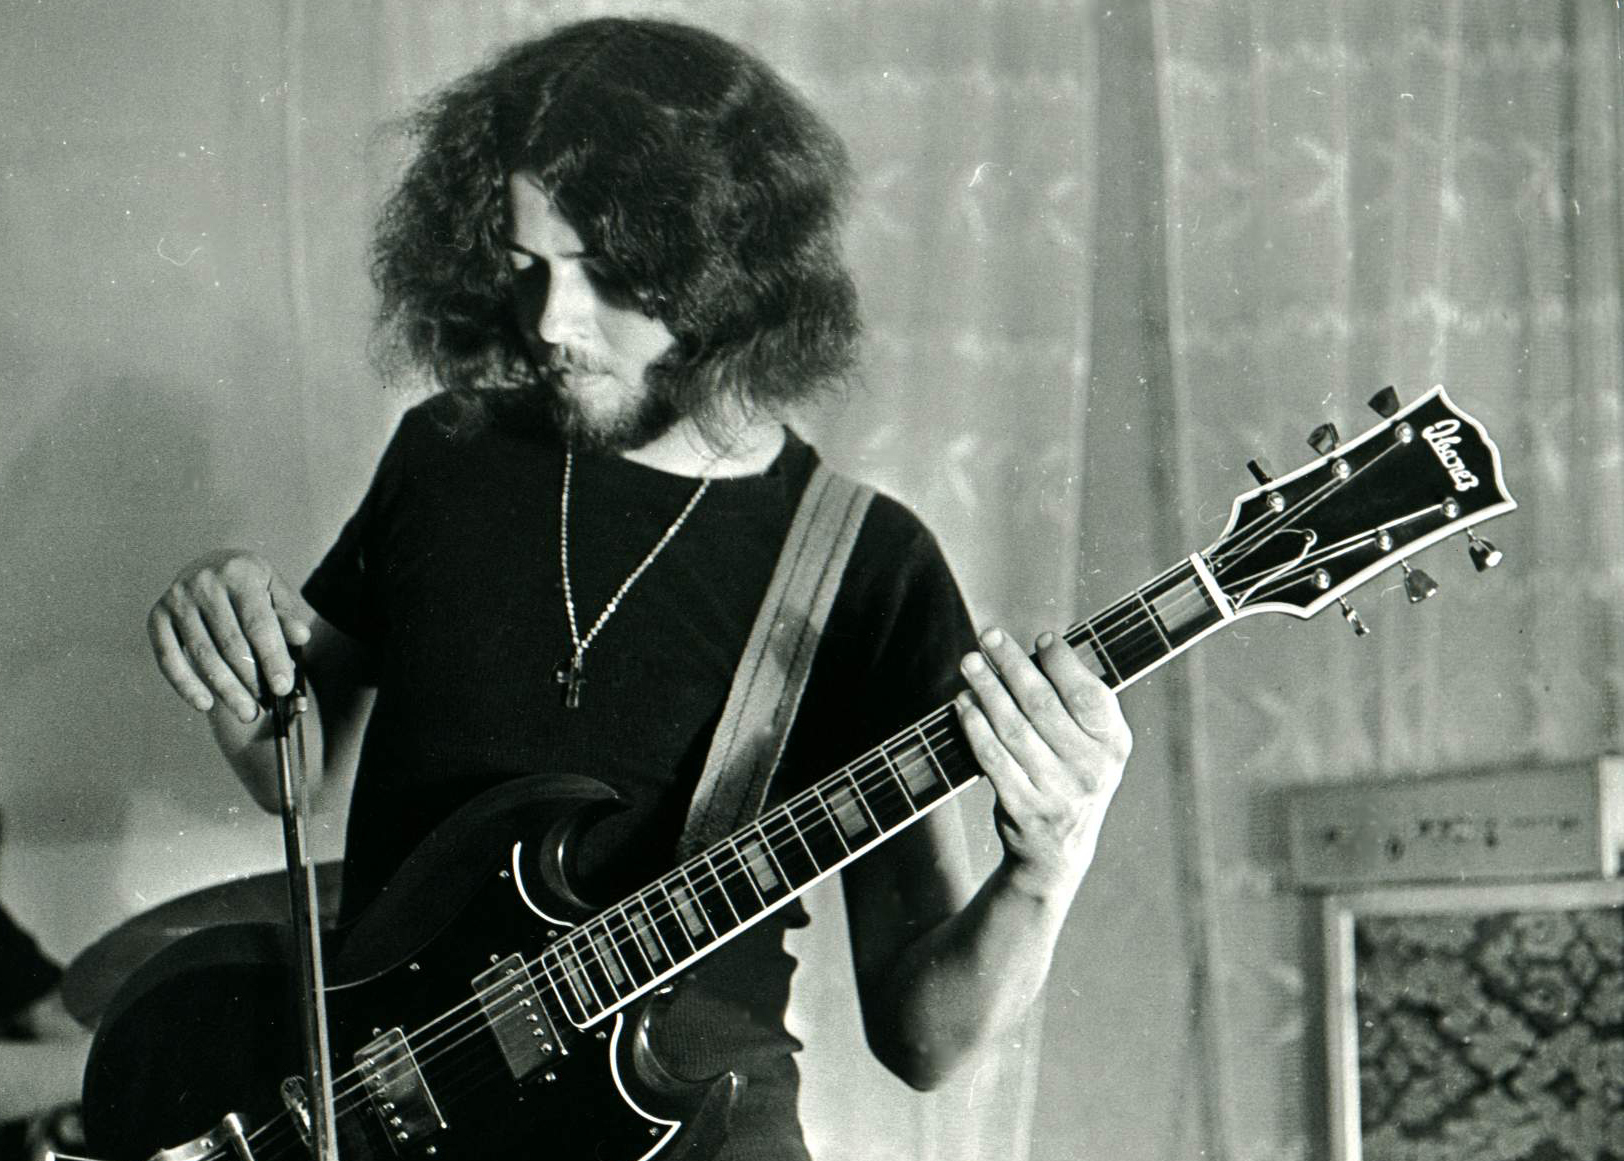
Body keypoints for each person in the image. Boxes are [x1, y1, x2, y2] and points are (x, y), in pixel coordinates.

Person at [144, 17, 1131, 1160]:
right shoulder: (448, 453)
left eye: (608, 275)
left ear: (730, 270)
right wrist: (228, 632)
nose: (550, 323)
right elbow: (295, 767)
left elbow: (924, 1042)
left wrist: (1044, 868)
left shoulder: (866, 566)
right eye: (526, 264)